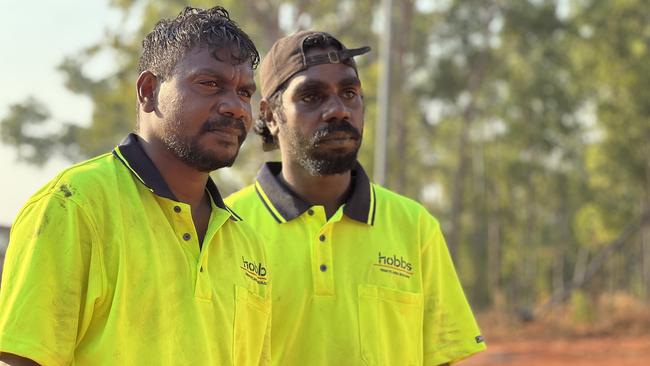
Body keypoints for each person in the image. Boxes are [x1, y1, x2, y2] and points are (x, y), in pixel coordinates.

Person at [0, 6, 270, 366]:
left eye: (245, 93)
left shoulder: (246, 244)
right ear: (148, 91)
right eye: (210, 84)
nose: (236, 108)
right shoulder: (74, 207)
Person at [225, 30, 486, 365]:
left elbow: (441, 358)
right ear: (271, 116)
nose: (338, 111)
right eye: (311, 97)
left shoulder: (414, 226)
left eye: (349, 93)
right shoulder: (227, 228)